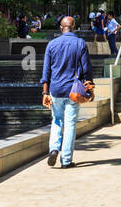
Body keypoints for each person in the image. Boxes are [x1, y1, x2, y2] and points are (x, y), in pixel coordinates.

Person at [40, 16, 94, 169]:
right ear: (74, 27)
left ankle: (54, 149)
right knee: (70, 124)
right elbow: (86, 69)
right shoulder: (80, 43)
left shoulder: (51, 45)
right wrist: (89, 87)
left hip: (56, 89)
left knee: (57, 120)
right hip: (73, 90)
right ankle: (66, 160)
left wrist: (45, 93)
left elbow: (46, 71)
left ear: (61, 27)